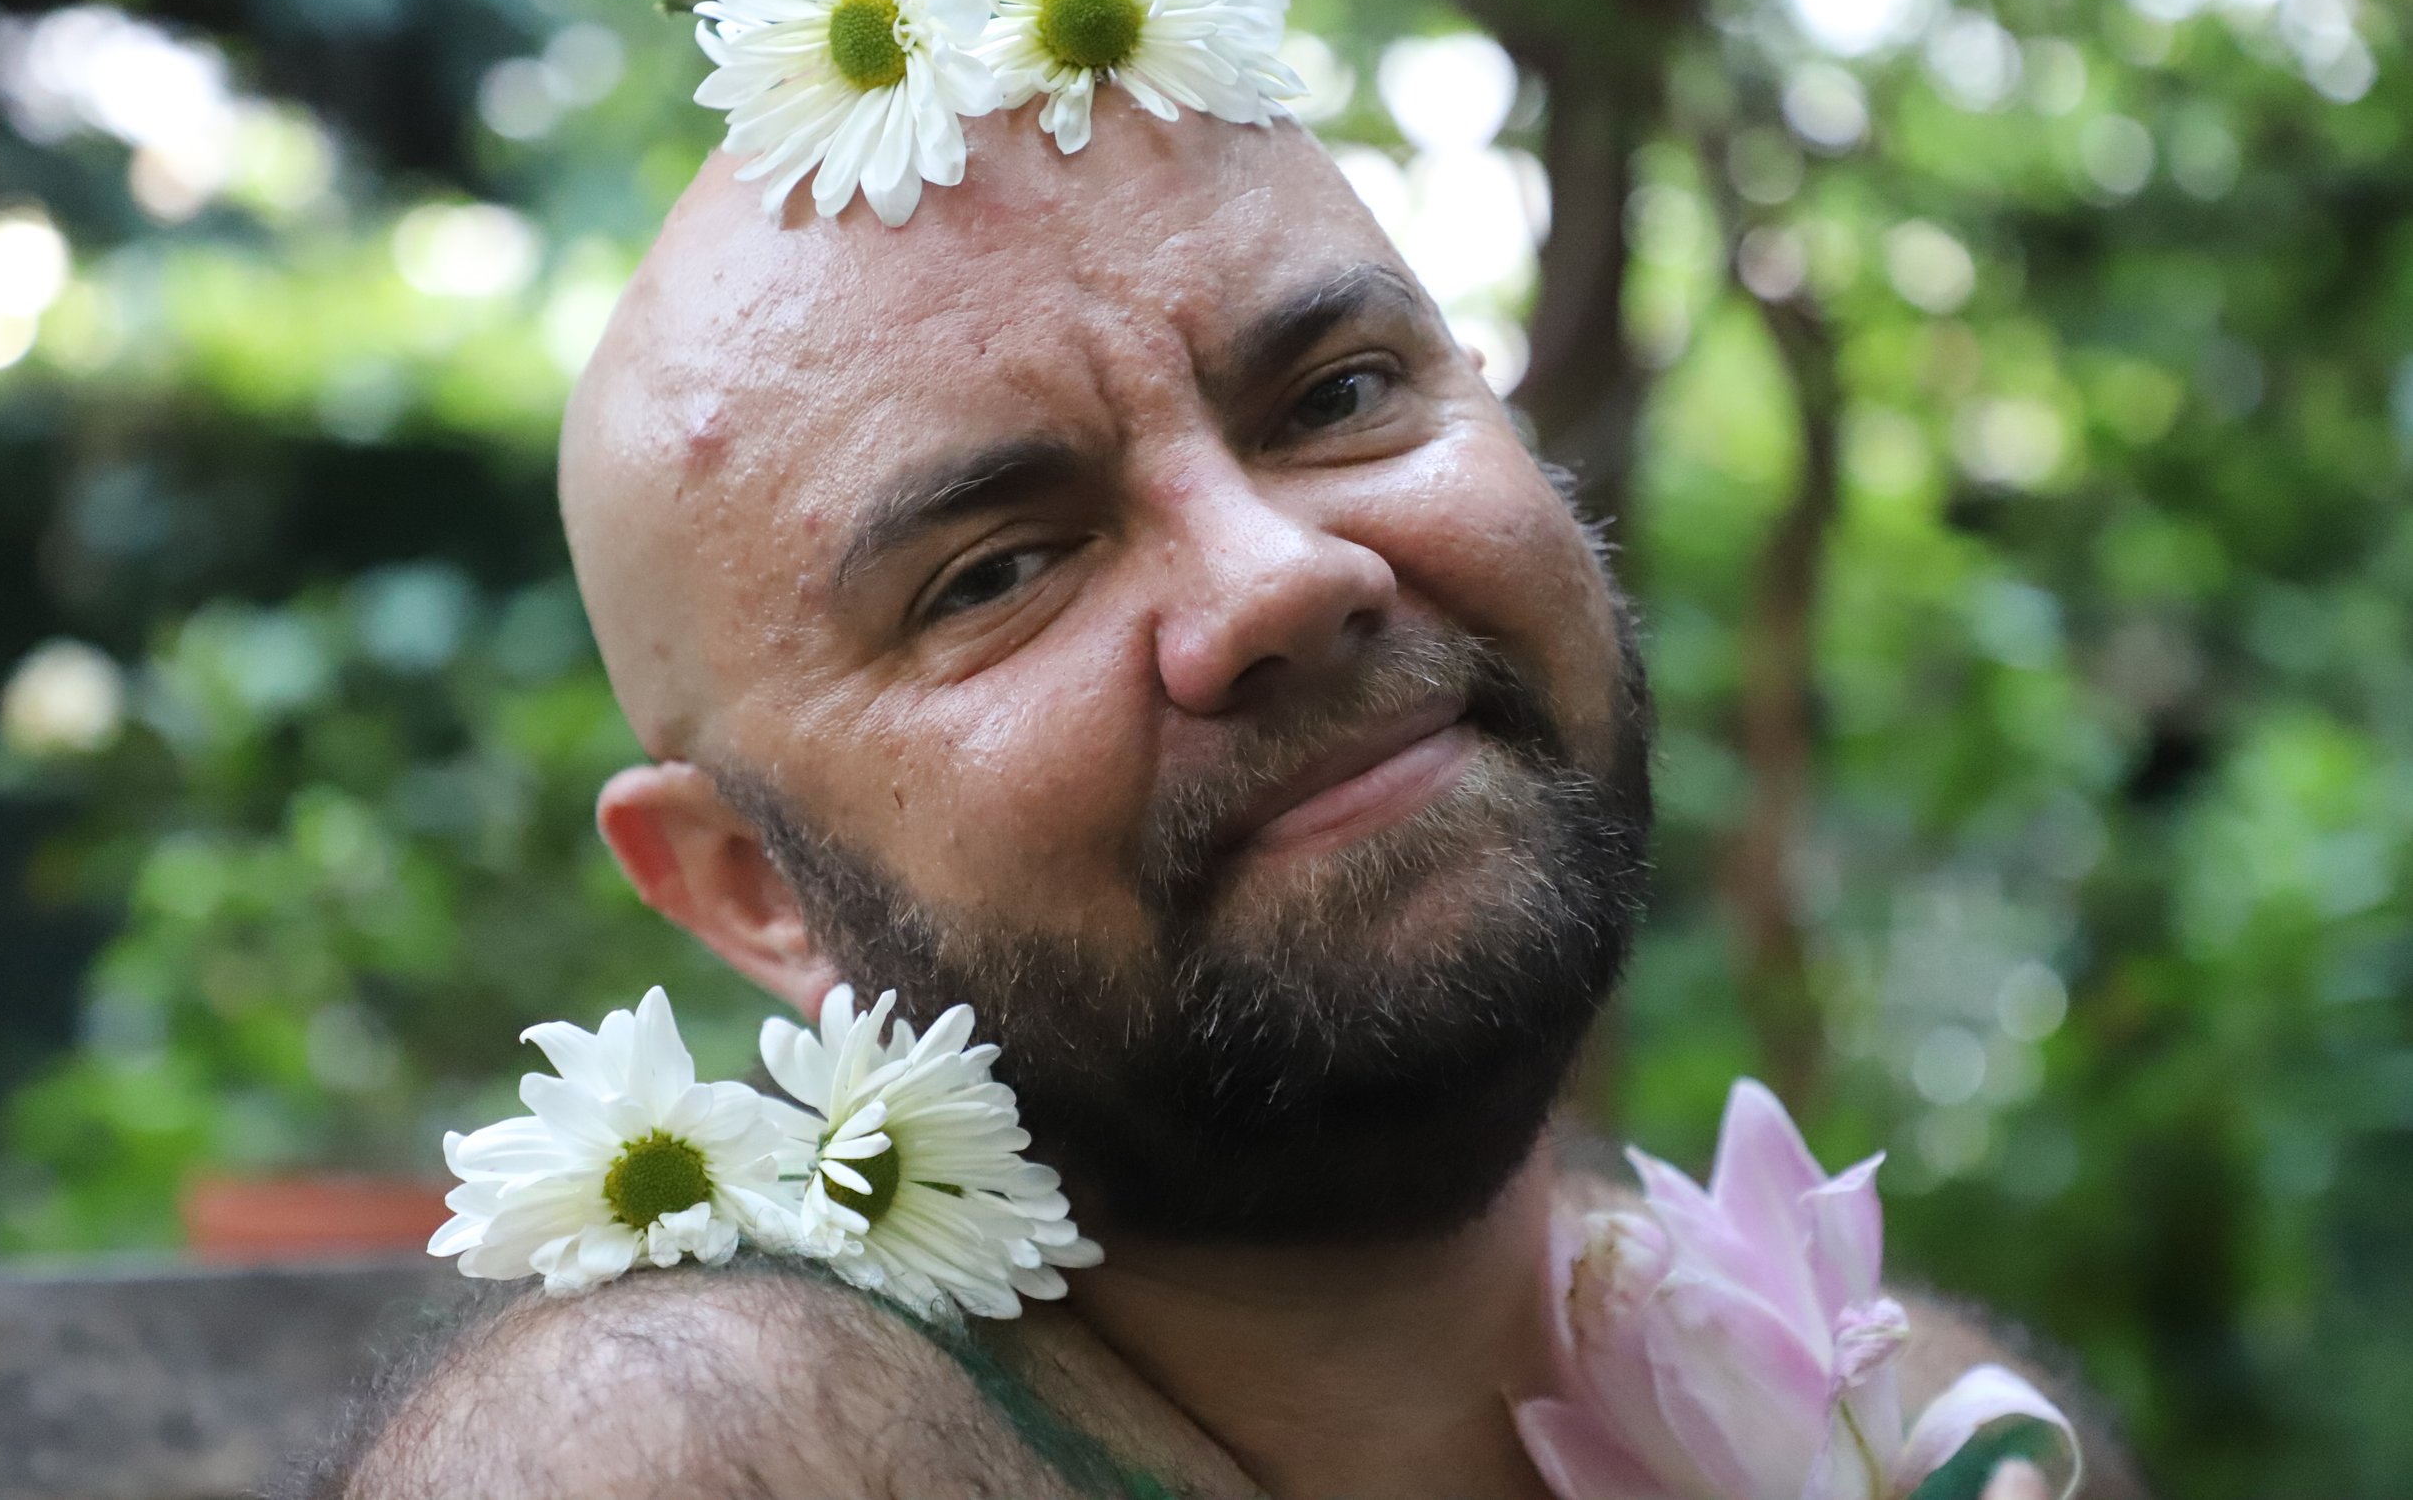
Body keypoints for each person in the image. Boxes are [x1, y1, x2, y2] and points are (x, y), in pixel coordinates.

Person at [318, 97, 2135, 1500]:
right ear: (745, 889)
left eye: (1342, 394)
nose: (1283, 574)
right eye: (994, 572)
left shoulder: (1942, 1426)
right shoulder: (707, 1453)